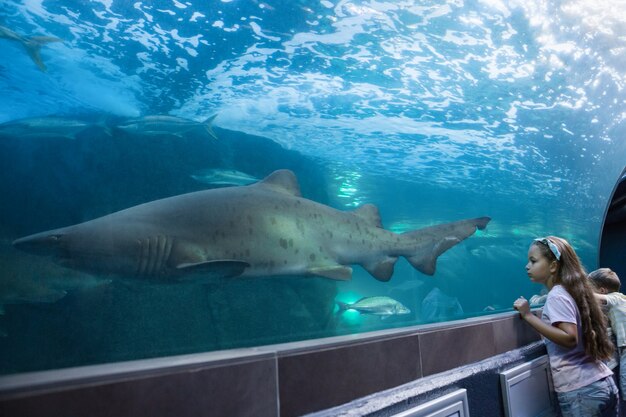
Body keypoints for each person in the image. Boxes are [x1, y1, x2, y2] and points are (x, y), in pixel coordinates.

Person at [513, 236, 618, 416]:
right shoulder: (573, 292)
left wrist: (528, 315)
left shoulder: (557, 295)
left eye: (533, 261)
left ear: (553, 266)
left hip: (581, 391)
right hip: (600, 382)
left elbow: (570, 338)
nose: (527, 266)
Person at [589, 268, 626, 412]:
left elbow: (591, 297)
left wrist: (573, 288)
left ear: (602, 291)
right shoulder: (622, 299)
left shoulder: (616, 298)